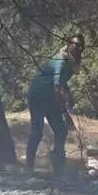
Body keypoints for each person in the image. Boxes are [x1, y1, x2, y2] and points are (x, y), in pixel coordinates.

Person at [24, 34, 84, 176]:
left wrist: (69, 96)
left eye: (81, 46)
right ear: (69, 44)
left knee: (61, 131)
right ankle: (28, 168)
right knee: (37, 132)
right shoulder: (62, 61)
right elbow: (57, 86)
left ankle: (58, 169)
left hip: (50, 97)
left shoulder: (71, 62)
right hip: (38, 96)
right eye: (76, 45)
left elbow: (62, 84)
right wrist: (63, 107)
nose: (79, 48)